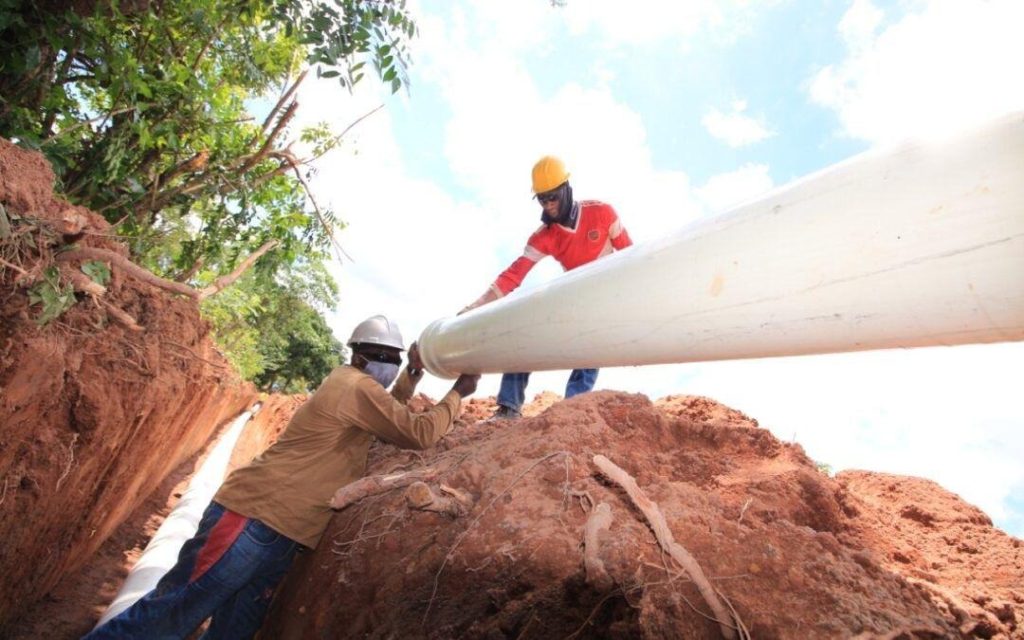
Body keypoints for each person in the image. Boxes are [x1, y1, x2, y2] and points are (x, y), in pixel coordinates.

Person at [84, 314, 479, 640]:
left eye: (393, 357)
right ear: (358, 357)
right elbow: (418, 433)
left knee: (235, 631)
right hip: (253, 519)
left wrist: (413, 372)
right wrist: (459, 392)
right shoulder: (352, 386)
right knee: (169, 614)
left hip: (283, 533)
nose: (388, 364)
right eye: (382, 356)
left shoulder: (357, 390)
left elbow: (389, 411)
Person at [461, 156, 633, 420]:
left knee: (591, 344)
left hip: (606, 301)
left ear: (566, 189)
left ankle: (572, 409)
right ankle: (509, 407)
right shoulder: (545, 236)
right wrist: (474, 307)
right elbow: (512, 276)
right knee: (526, 331)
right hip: (575, 297)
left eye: (553, 197)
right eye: (542, 199)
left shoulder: (603, 213)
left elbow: (632, 256)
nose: (549, 205)